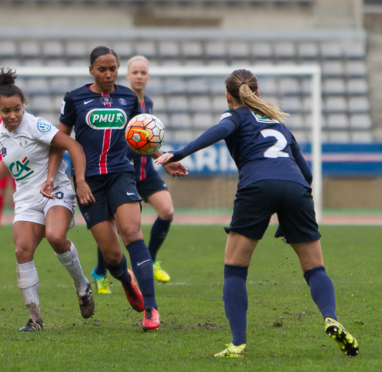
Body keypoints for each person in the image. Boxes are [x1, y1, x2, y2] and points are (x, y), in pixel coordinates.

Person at [155, 68, 359, 357]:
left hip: (257, 186)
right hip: (296, 188)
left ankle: (238, 343)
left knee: (235, 269)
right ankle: (330, 316)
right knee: (315, 268)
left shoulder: (233, 117)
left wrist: (179, 153)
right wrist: (288, 212)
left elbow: (219, 132)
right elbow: (308, 174)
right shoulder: (279, 124)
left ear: (228, 96)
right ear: (257, 94)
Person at [46, 46, 187, 331]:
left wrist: (163, 161)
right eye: (102, 69)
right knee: (111, 256)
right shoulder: (75, 98)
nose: (108, 74)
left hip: (122, 174)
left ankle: (151, 309)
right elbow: (59, 141)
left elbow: (141, 138)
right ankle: (125, 279)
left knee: (132, 233)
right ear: (91, 70)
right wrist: (56, 178)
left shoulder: (128, 98)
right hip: (89, 181)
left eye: (112, 68)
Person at [0, 68, 96, 331]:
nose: (12, 115)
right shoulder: (0, 134)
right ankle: (36, 319)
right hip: (26, 198)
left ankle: (82, 286)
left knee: (56, 236)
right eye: (6, 111)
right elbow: (10, 161)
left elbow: (71, 145)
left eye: (17, 109)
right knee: (22, 250)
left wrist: (78, 180)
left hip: (55, 191)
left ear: (23, 105)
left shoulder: (35, 125)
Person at [91, 55, 176, 295]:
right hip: (121, 171)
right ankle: (100, 271)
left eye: (143, 72)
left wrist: (163, 159)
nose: (139, 76)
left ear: (148, 76)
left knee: (167, 211)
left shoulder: (147, 104)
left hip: (145, 172)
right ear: (126, 75)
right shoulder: (120, 101)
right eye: (135, 72)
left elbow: (146, 140)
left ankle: (152, 258)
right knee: (114, 227)